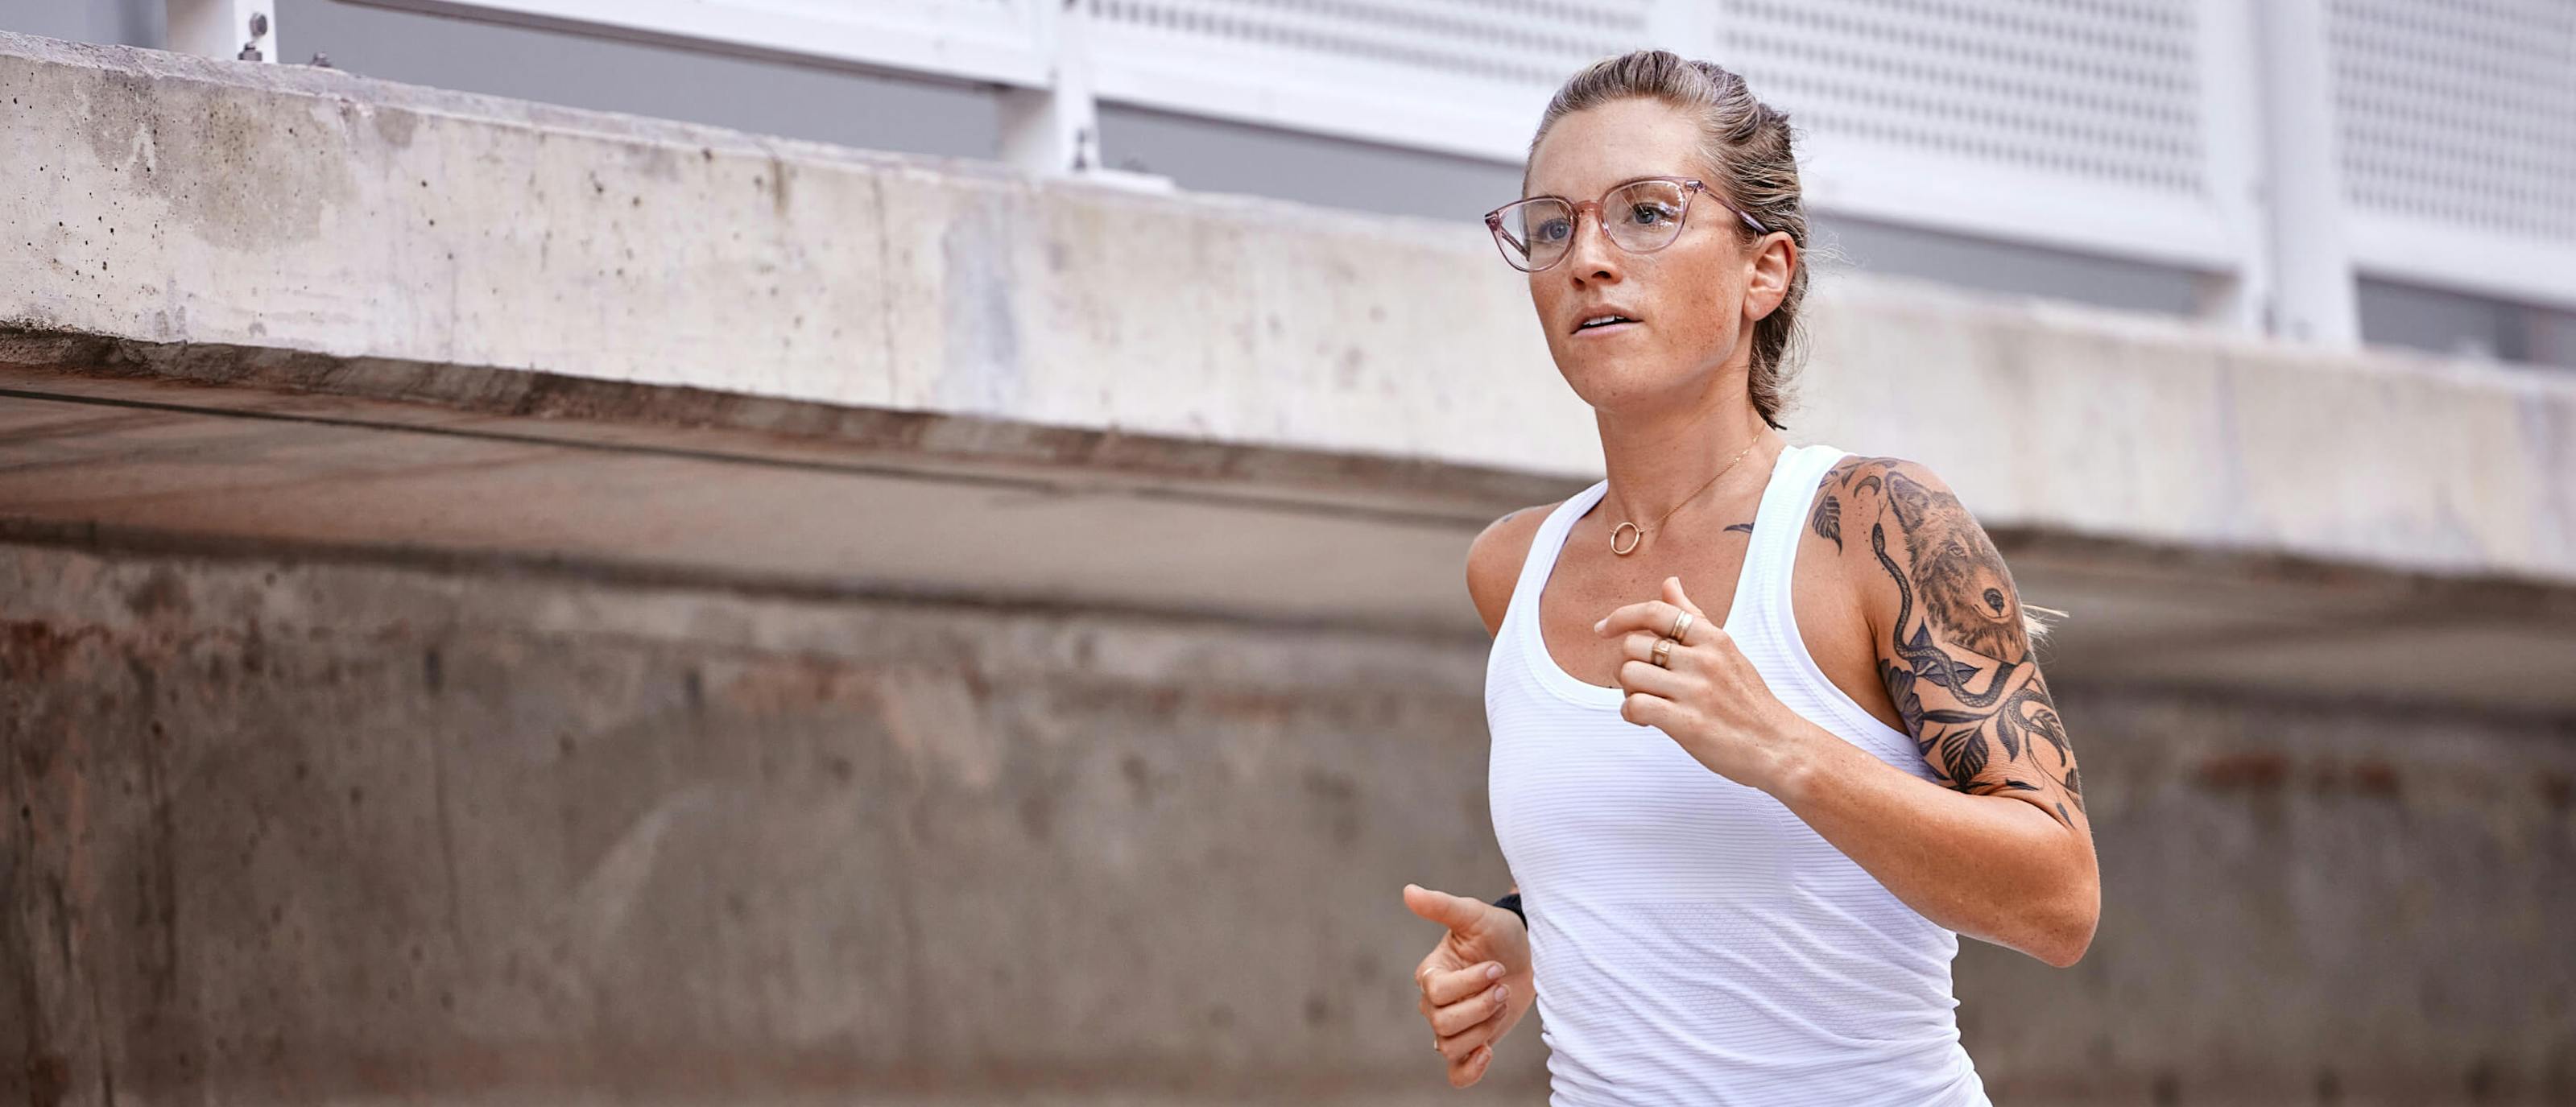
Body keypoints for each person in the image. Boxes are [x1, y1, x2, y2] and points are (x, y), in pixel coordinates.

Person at [1400, 50, 2099, 1105]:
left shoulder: (1875, 526)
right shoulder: (1513, 568)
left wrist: (1779, 745)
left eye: (1645, 212)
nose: (1588, 257)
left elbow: (2059, 903)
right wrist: (1531, 929)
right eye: (1553, 226)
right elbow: (1670, 848)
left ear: (1763, 271)